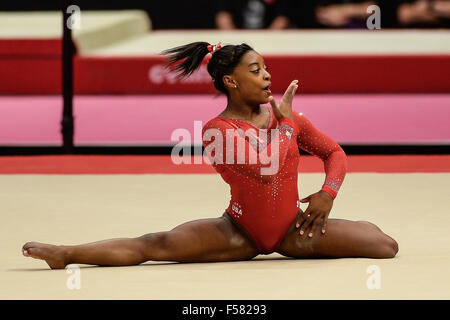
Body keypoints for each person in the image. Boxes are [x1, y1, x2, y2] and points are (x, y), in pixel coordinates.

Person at [22, 42, 398, 269]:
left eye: (267, 68)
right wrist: (285, 127)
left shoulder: (287, 118)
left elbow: (334, 152)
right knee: (154, 244)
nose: (267, 76)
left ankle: (340, 222)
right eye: (256, 70)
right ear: (231, 82)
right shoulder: (218, 130)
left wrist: (327, 194)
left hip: (292, 230)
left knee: (385, 246)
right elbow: (265, 169)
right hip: (237, 231)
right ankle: (66, 253)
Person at [215, 0, 292, 29]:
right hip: (237, 41)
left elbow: (282, 19)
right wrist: (235, 42)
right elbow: (223, 17)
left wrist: (267, 40)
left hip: (267, 40)